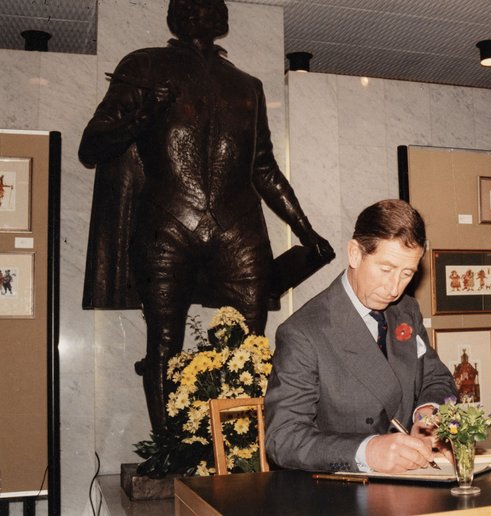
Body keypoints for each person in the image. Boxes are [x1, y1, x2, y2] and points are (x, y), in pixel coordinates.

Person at [78, 0, 334, 434]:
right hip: (167, 219)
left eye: (212, 5)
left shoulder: (248, 86)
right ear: (175, 17)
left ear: (224, 19)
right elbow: (92, 147)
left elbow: (263, 167)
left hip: (236, 225)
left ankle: (239, 444)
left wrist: (305, 230)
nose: (203, 11)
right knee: (163, 340)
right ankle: (167, 448)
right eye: (191, 5)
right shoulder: (144, 66)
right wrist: (143, 114)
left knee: (250, 342)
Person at [265, 199, 457, 473]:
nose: (394, 288)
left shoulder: (405, 310)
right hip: (338, 493)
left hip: (410, 481)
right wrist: (367, 451)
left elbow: (435, 378)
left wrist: (427, 414)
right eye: (386, 269)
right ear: (355, 253)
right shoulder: (303, 332)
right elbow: (283, 439)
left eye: (407, 274)